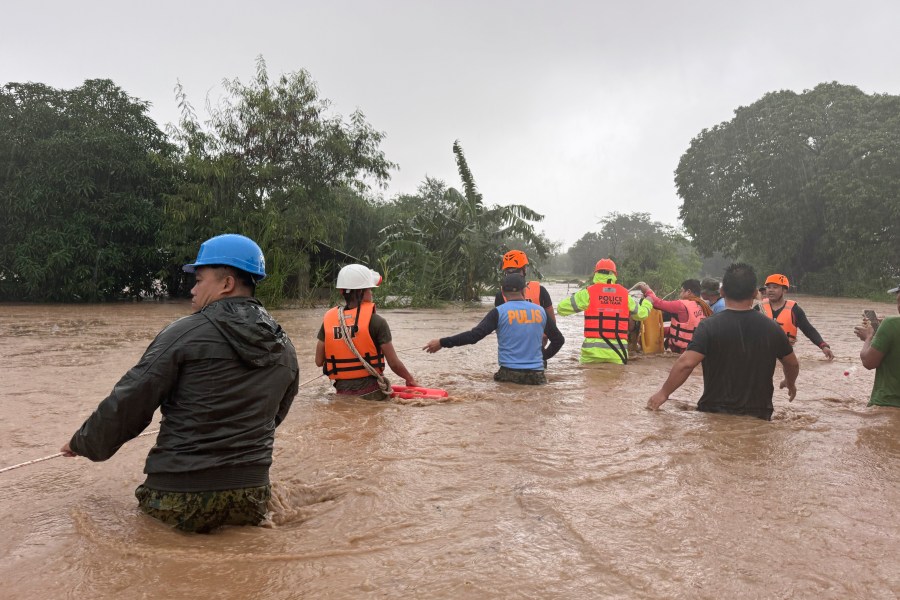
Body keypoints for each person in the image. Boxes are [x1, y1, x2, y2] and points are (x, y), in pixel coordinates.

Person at [61, 234, 300, 533]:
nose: (192, 289)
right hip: (251, 496)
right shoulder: (284, 345)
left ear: (226, 284)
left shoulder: (184, 332)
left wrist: (83, 442)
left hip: (178, 494)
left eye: (199, 280)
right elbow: (275, 415)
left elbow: (131, 399)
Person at [648, 263, 800, 420]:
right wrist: (790, 382)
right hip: (759, 415)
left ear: (722, 292)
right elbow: (792, 363)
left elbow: (686, 363)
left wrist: (663, 393)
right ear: (755, 293)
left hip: (714, 412)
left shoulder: (708, 326)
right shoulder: (773, 328)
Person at [424, 273, 548, 384]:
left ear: (503, 293)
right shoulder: (541, 311)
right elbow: (559, 340)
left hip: (509, 374)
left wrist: (442, 342)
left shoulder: (499, 312)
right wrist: (541, 359)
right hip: (537, 376)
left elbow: (473, 336)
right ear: (524, 291)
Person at [316, 264, 417, 400]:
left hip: (342, 397)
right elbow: (394, 363)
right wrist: (410, 379)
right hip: (373, 394)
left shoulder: (329, 321)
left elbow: (318, 361)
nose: (372, 293)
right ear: (361, 292)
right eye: (370, 289)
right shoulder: (377, 322)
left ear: (341, 291)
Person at [556, 258, 652, 364]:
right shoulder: (624, 295)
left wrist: (582, 297)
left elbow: (561, 309)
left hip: (591, 355)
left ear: (596, 273)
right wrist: (648, 299)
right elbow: (642, 314)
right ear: (615, 274)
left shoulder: (588, 293)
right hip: (617, 354)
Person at [495, 250, 565, 363]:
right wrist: (543, 355)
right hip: (536, 352)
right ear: (524, 270)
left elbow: (499, 328)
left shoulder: (501, 295)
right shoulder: (540, 290)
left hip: (511, 355)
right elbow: (553, 324)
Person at [759, 274, 834, 360]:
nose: (771, 290)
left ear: (784, 290)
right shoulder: (759, 309)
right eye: (768, 287)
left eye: (775, 287)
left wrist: (823, 346)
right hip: (762, 354)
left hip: (785, 355)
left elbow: (808, 330)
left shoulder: (795, 310)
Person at [853, 283, 900, 408]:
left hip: (886, 405)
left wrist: (869, 337)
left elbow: (868, 362)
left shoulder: (890, 324)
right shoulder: (890, 323)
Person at [637, 279, 713, 354]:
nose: (680, 294)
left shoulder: (681, 305)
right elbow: (686, 328)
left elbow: (657, 303)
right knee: (663, 330)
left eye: (681, 291)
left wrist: (648, 291)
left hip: (682, 351)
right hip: (697, 349)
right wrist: (660, 331)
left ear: (689, 292)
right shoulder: (704, 305)